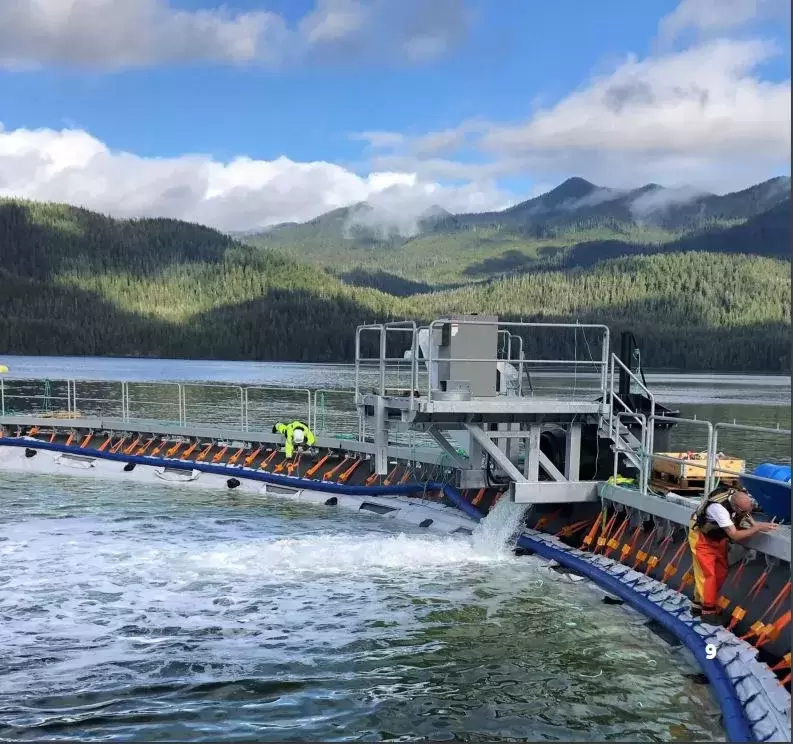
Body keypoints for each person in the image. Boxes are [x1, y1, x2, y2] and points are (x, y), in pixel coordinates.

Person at [688, 486, 776, 623]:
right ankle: (708, 612)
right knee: (707, 574)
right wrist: (756, 528)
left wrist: (754, 523)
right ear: (736, 507)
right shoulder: (718, 509)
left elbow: (745, 513)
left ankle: (697, 604)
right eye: (743, 511)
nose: (746, 513)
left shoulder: (738, 496)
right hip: (701, 537)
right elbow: (734, 535)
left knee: (721, 571)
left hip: (717, 536)